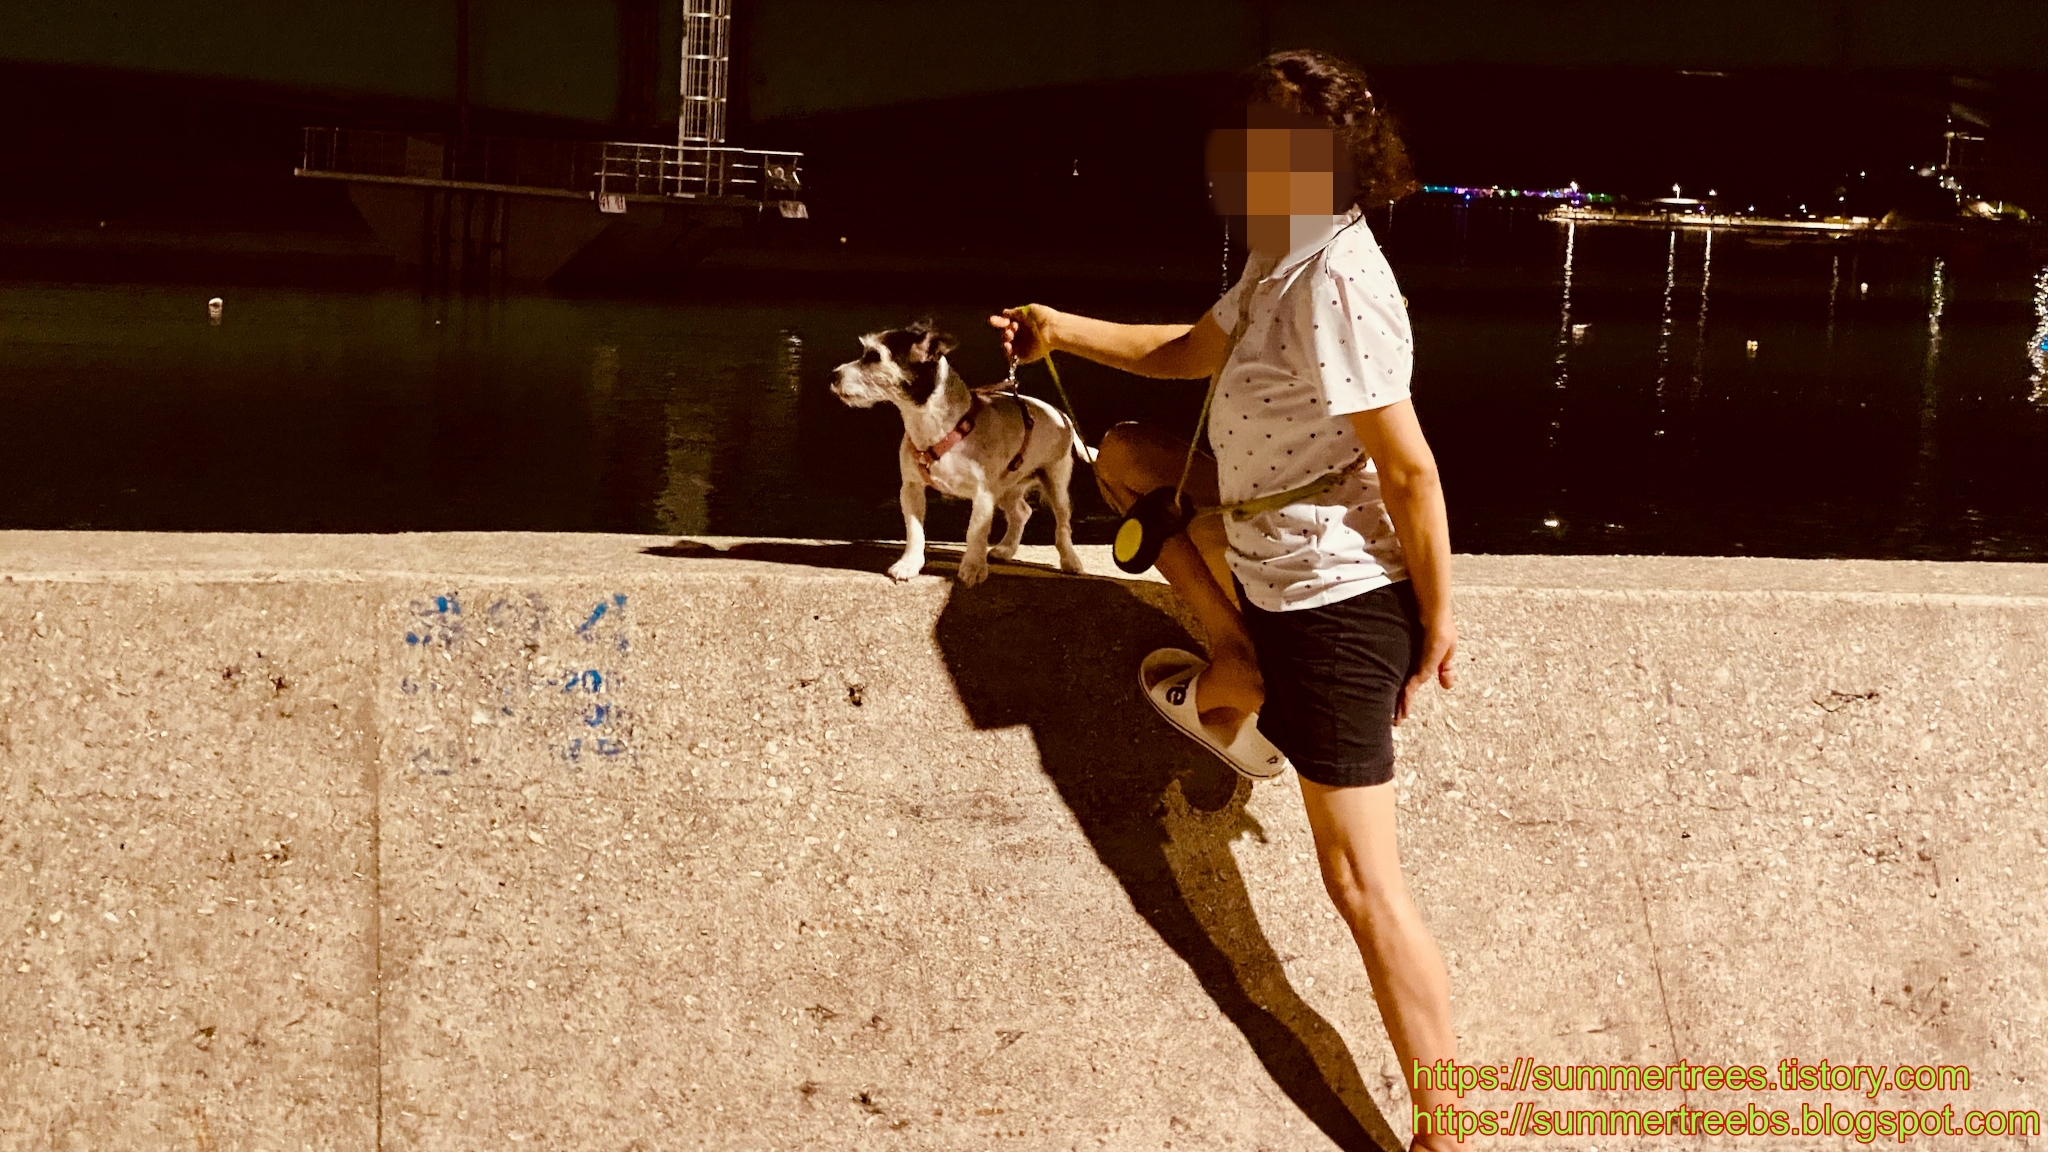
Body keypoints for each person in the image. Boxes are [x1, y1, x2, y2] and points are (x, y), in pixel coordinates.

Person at [989, 49, 1467, 1152]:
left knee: (1362, 887)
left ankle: (1446, 1131)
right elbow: (1187, 350)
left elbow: (1409, 473)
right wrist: (1060, 327)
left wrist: (1438, 621)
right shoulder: (1279, 257)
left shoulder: (1339, 283)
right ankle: (1234, 662)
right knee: (1125, 457)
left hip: (1334, 599)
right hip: (1266, 550)